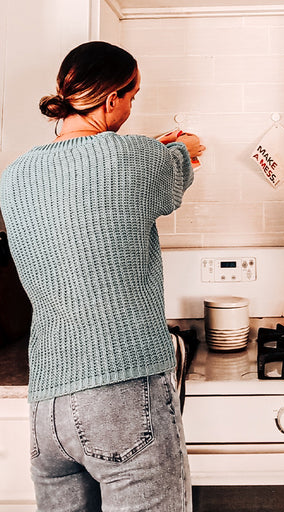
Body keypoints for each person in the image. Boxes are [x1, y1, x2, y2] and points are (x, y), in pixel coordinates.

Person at [0, 41, 205, 512]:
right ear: (112, 98)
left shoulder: (14, 176)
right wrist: (184, 147)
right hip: (122, 389)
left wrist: (145, 150)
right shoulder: (140, 159)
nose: (132, 108)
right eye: (132, 96)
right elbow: (175, 166)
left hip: (47, 405)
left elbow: (87, 176)